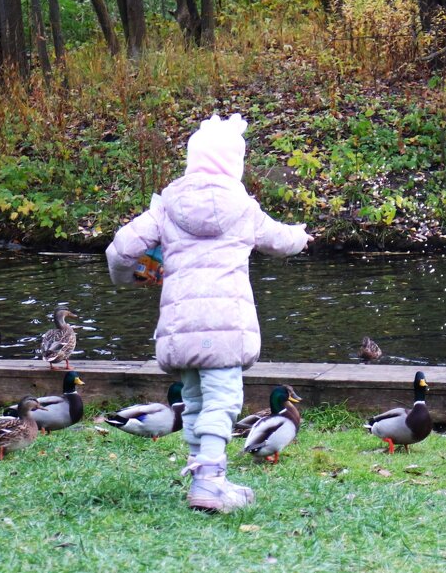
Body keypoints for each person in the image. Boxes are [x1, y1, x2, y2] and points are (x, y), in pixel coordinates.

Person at [106, 113, 309, 512]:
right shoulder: (242, 208)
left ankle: (205, 475)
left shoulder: (167, 206)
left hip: (180, 328)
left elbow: (119, 251)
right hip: (227, 330)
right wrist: (302, 236)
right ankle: (209, 482)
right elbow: (281, 241)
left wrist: (127, 279)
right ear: (235, 162)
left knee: (196, 403)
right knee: (223, 403)